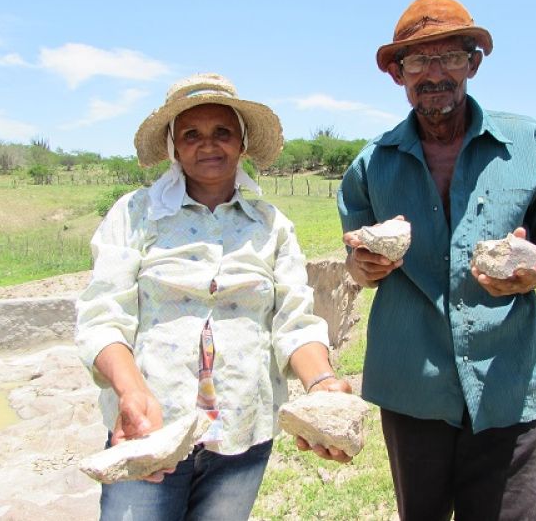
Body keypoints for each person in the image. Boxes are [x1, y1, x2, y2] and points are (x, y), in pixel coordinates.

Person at [338, 0, 536, 520]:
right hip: (412, 387)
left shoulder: (527, 143)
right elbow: (355, 262)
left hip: (506, 383)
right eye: (417, 60)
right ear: (397, 73)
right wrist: (364, 267)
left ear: (474, 62)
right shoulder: (371, 164)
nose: (434, 72)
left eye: (449, 56)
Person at [76, 73, 351, 521]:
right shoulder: (136, 214)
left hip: (243, 433)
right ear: (173, 147)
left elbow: (295, 321)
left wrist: (321, 385)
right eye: (191, 134)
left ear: (242, 143)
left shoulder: (271, 225)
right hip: (150, 429)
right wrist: (131, 392)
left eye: (222, 132)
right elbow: (103, 317)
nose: (208, 145)